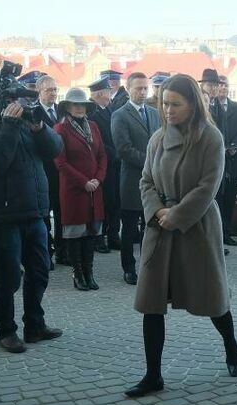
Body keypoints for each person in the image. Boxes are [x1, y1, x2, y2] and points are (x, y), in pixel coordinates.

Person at [127, 73, 237, 398]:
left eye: (175, 104)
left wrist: (176, 216)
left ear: (193, 104)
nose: (168, 110)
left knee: (212, 298)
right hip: (159, 230)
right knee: (152, 302)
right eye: (164, 103)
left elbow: (208, 187)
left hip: (196, 229)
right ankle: (153, 375)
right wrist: (157, 212)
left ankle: (231, 346)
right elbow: (146, 180)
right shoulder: (157, 139)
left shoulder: (211, 138)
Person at [0, 89, 65, 353]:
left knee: (40, 271)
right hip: (3, 215)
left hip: (34, 212)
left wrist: (38, 127)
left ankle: (35, 325)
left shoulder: (26, 124)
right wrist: (9, 126)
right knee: (8, 276)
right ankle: (6, 331)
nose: (16, 107)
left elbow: (55, 148)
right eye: (10, 102)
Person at [54, 88, 108, 291]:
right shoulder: (60, 129)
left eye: (82, 105)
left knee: (91, 233)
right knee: (76, 233)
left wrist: (98, 179)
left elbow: (102, 155)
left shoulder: (93, 126)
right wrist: (84, 181)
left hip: (95, 189)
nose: (79, 108)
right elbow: (60, 163)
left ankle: (89, 272)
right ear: (67, 107)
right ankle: (77, 274)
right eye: (75, 105)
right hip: (74, 190)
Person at [112, 72, 161, 284]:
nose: (142, 92)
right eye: (138, 88)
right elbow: (124, 150)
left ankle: (149, 266)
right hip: (132, 180)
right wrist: (152, 163)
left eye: (145, 88)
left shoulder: (154, 113)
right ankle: (128, 268)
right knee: (130, 227)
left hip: (154, 181)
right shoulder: (120, 115)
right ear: (128, 89)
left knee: (150, 226)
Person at [211, 74, 237, 244]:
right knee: (217, 199)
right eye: (219, 85)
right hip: (216, 159)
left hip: (235, 158)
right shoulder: (210, 107)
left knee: (230, 197)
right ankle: (216, 234)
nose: (222, 88)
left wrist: (234, 146)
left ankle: (227, 232)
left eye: (225, 85)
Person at [34, 75, 65, 266]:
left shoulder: (62, 111)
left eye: (55, 89)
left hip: (62, 173)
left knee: (62, 214)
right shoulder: (34, 113)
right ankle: (46, 253)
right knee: (44, 216)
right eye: (48, 90)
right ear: (39, 93)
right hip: (44, 172)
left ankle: (63, 251)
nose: (53, 93)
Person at [87, 78, 121, 252]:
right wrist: (113, 152)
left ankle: (113, 236)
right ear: (100, 93)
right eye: (108, 91)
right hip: (100, 165)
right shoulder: (91, 113)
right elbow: (95, 141)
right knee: (101, 203)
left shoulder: (109, 110)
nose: (110, 95)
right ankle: (98, 238)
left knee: (114, 201)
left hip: (113, 165)